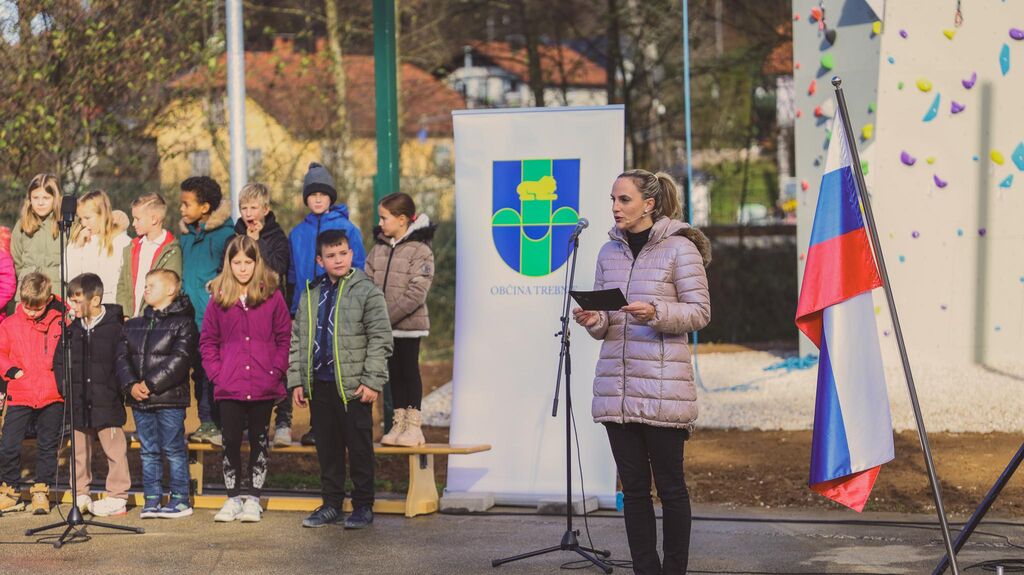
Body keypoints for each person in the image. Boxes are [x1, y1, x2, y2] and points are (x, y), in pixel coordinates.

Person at [572, 169, 711, 575]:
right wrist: (594, 320)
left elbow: (700, 312)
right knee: (633, 491)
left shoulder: (679, 249)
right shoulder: (606, 252)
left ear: (649, 204)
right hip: (617, 388)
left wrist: (657, 312)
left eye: (624, 200)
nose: (615, 207)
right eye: (613, 199)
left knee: (670, 489)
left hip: (664, 390)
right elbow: (606, 327)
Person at [287, 229, 392, 529]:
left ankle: (363, 505)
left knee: (359, 448)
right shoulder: (311, 293)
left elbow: (380, 338)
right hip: (320, 384)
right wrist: (298, 380)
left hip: (354, 386)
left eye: (343, 253)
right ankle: (331, 503)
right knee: (328, 449)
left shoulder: (367, 291)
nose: (338, 259)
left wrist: (372, 381)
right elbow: (298, 339)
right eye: (331, 255)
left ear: (351, 254)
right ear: (320, 260)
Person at [200, 236, 291, 523]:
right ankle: (232, 498)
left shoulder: (272, 295)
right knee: (230, 442)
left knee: (259, 440)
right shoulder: (219, 298)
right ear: (229, 264)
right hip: (230, 385)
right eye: (236, 262)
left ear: (257, 263)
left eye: (248, 262)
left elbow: (284, 337)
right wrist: (217, 374)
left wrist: (275, 371)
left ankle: (253, 498)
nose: (242, 268)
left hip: (264, 385)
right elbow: (208, 341)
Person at [287, 162, 366, 446]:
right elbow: (293, 274)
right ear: (306, 198)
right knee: (312, 365)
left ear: (331, 196)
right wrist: (293, 307)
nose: (318, 199)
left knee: (337, 363)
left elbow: (359, 266)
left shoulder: (346, 228)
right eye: (312, 194)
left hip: (339, 306)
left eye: (323, 194)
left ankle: (344, 424)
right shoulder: (297, 233)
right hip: (308, 307)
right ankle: (316, 426)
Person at [116, 269, 198, 519]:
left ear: (171, 290)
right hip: (140, 400)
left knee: (173, 448)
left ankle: (180, 499)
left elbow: (180, 360)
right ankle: (151, 498)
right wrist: (131, 386)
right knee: (148, 449)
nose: (146, 289)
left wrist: (150, 385)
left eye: (152, 285)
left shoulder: (183, 324)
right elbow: (122, 357)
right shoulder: (134, 325)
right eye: (145, 284)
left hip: (169, 399)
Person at [56, 273, 131, 517]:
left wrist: (119, 391)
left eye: (78, 301)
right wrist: (65, 387)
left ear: (96, 300)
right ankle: (80, 493)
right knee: (79, 452)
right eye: (70, 301)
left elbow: (123, 361)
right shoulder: (71, 330)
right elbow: (59, 361)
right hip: (79, 400)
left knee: (115, 451)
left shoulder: (115, 329)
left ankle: (117, 495)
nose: (72, 307)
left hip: (106, 400)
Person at [366, 193, 435, 447]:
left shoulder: (421, 250)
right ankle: (398, 422)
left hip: (408, 326)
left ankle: (413, 425)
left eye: (384, 217)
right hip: (385, 328)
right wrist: (374, 315)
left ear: (402, 219)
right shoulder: (379, 249)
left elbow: (417, 292)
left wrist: (386, 316)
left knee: (409, 371)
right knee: (393, 373)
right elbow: (368, 282)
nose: (380, 223)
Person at [232, 183, 293, 447]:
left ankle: (283, 422)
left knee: (279, 366)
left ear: (265, 210)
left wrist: (257, 244)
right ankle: (251, 423)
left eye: (254, 207)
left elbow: (279, 267)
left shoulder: (277, 237)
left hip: (270, 312)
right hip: (242, 313)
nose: (249, 213)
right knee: (250, 364)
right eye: (244, 207)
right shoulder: (234, 236)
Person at [0, 273, 65, 514]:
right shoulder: (9, 324)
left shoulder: (61, 321)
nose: (31, 312)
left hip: (52, 394)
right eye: (27, 307)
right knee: (8, 444)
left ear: (48, 300)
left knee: (48, 446)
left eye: (37, 308)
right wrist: (12, 371)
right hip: (21, 393)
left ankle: (41, 491)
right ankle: (9, 491)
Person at [178, 176, 234, 446]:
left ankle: (221, 423)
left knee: (214, 373)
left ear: (205, 207)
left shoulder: (226, 235)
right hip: (188, 321)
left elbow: (231, 272)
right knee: (197, 374)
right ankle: (206, 422)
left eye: (187, 204)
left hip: (215, 320)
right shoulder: (185, 236)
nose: (182, 209)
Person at [116, 192, 182, 318]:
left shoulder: (172, 250)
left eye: (137, 219)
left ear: (154, 219)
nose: (133, 223)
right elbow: (123, 284)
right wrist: (125, 315)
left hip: (155, 320)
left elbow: (168, 290)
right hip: (130, 321)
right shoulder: (131, 247)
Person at [65, 190, 132, 305]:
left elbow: (125, 281)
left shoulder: (121, 241)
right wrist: (77, 247)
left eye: (87, 218)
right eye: (80, 218)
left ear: (102, 214)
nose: (83, 223)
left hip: (110, 307)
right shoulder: (80, 238)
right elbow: (67, 276)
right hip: (82, 307)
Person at [11, 174, 62, 298]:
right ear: (29, 199)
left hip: (56, 293)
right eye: (35, 197)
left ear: (55, 199)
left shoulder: (66, 224)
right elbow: (17, 261)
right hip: (27, 294)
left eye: (46, 198)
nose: (40, 203)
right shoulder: (21, 225)